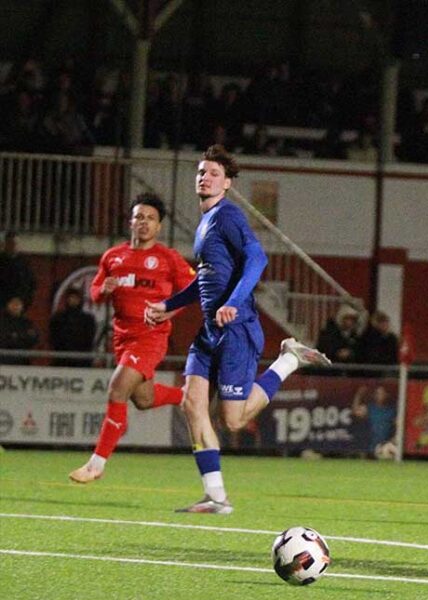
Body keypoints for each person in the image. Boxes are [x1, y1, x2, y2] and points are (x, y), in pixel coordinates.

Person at [145, 145, 330, 513]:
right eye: (201, 171)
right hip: (210, 331)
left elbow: (257, 258)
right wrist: (169, 305)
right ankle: (215, 497)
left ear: (227, 183)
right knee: (191, 402)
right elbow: (204, 279)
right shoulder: (204, 223)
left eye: (213, 173)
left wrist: (232, 303)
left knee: (234, 419)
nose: (204, 177)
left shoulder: (227, 216)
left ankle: (288, 362)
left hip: (237, 329)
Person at [68, 194, 195, 483]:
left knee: (117, 389)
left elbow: (192, 289)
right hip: (122, 338)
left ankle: (96, 464)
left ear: (159, 226)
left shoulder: (168, 258)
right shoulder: (113, 256)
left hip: (150, 337)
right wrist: (105, 289)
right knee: (143, 399)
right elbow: (95, 292)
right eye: (139, 217)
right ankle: (188, 396)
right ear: (130, 222)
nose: (143, 222)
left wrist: (168, 312)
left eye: (150, 218)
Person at [49, 287, 96, 367]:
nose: (73, 300)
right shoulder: (58, 318)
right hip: (62, 360)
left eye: (76, 298)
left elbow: (89, 338)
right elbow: (54, 336)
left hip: (82, 361)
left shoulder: (88, 319)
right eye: (71, 297)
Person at [0, 231, 36, 308]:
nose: (13, 246)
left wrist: (24, 301)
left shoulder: (24, 263)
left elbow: (31, 284)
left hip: (19, 305)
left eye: (15, 243)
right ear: (5, 244)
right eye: (10, 243)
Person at [0, 295, 39, 364]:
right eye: (13, 303)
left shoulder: (27, 322)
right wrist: (21, 337)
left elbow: (34, 338)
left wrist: (15, 336)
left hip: (22, 361)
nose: (15, 306)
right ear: (7, 305)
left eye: (18, 303)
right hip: (3, 360)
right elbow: (4, 339)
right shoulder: (2, 321)